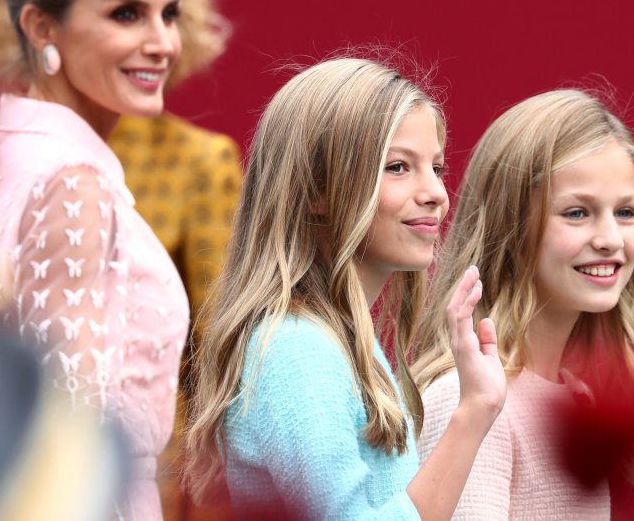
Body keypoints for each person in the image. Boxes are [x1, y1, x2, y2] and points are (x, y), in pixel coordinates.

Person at [0, 0, 241, 521]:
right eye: (127, 14)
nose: (162, 41)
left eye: (170, 14)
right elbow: (70, 441)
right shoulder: (71, 183)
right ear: (39, 26)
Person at [183, 57, 508, 520]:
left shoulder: (341, 343)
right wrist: (474, 412)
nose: (436, 191)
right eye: (398, 167)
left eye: (436, 167)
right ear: (315, 191)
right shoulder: (298, 350)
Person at [412, 89, 634, 519]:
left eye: (625, 212)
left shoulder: (574, 400)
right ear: (511, 225)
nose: (610, 239)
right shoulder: (468, 399)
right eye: (577, 213)